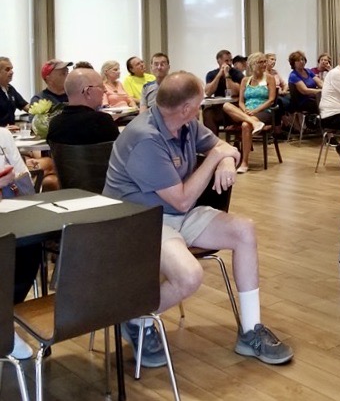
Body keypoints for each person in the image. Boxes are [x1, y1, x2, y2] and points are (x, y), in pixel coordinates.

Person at [103, 72, 293, 368]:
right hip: (141, 222)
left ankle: (251, 331)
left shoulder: (186, 124)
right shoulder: (145, 139)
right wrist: (216, 159)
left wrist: (226, 159)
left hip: (176, 216)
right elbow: (182, 198)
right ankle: (135, 317)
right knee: (190, 276)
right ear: (187, 107)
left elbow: (221, 147)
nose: (203, 106)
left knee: (244, 229)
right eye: (199, 102)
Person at [0, 127, 41, 360]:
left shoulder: (3, 137)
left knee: (29, 246)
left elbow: (24, 186)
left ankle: (5, 321)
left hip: (11, 218)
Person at [47, 68, 120, 145]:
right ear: (88, 91)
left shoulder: (54, 124)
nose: (105, 91)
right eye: (101, 87)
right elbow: (121, 153)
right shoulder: (102, 121)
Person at [237, 53, 279, 172]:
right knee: (226, 106)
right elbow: (240, 101)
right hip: (246, 112)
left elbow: (271, 100)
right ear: (252, 64)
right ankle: (254, 123)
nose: (264, 64)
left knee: (245, 125)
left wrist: (255, 110)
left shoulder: (269, 78)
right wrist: (245, 110)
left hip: (263, 111)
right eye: (260, 62)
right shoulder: (245, 80)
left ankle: (244, 162)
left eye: (264, 62)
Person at [202, 49, 245, 132]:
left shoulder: (237, 73)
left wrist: (227, 75)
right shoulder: (211, 74)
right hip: (218, 108)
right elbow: (208, 92)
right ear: (219, 61)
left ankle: (237, 141)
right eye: (226, 61)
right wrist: (219, 75)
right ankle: (213, 141)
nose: (229, 63)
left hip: (234, 107)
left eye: (230, 60)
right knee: (207, 113)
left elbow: (235, 91)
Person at [0, 56, 29, 127]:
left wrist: (41, 110)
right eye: (7, 69)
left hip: (12, 133)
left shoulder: (11, 89)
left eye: (11, 69)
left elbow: (26, 106)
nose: (11, 72)